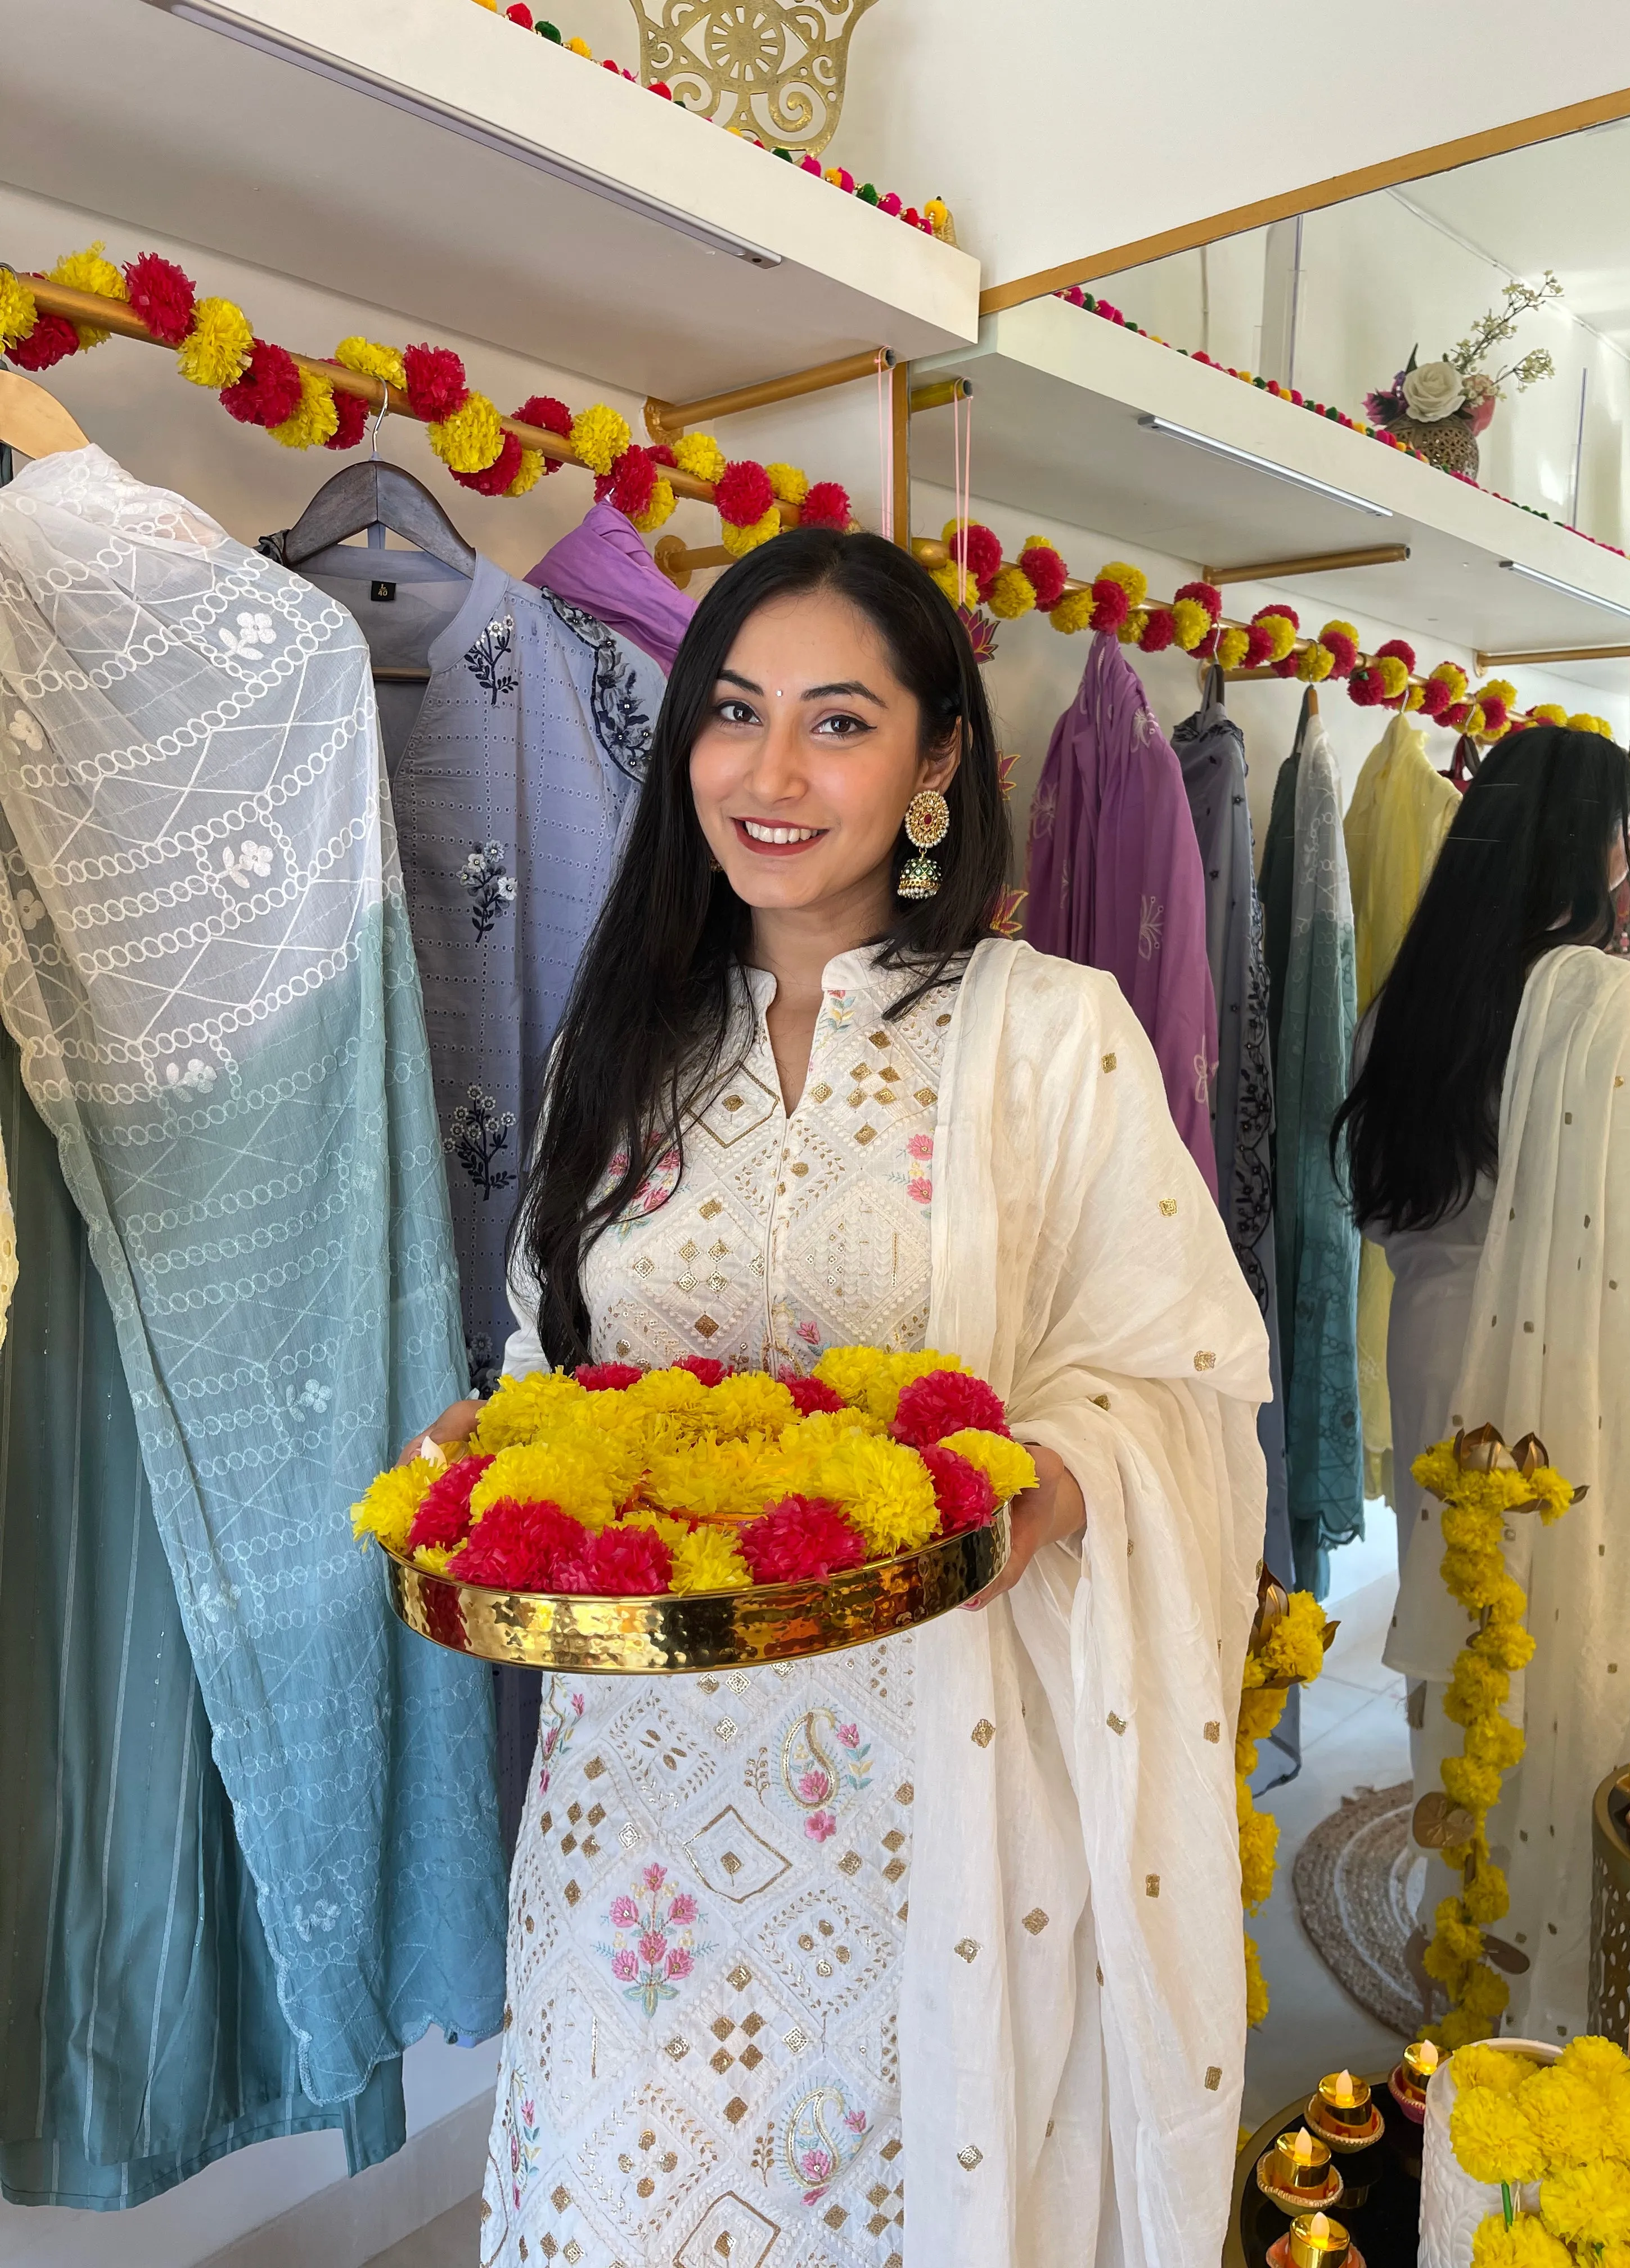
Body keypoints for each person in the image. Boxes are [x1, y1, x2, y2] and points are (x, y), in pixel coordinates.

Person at [406, 530, 1269, 2268]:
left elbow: (1183, 1375)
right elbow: (546, 1364)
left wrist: (1053, 1480)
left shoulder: (1050, 1035)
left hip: (926, 1797)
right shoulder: (624, 1047)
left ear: (938, 760)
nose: (772, 774)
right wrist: (484, 1454)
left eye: (840, 722)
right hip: (634, 1806)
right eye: (734, 714)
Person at [1334, 724, 1630, 2043]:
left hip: (1432, 1344)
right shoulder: (1604, 999)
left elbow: (1380, 1208)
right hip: (1566, 1370)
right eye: (1618, 831)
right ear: (1586, 843)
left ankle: (1463, 1897)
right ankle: (1555, 1938)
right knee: (1559, 1630)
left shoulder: (1414, 995)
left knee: (1460, 1625)